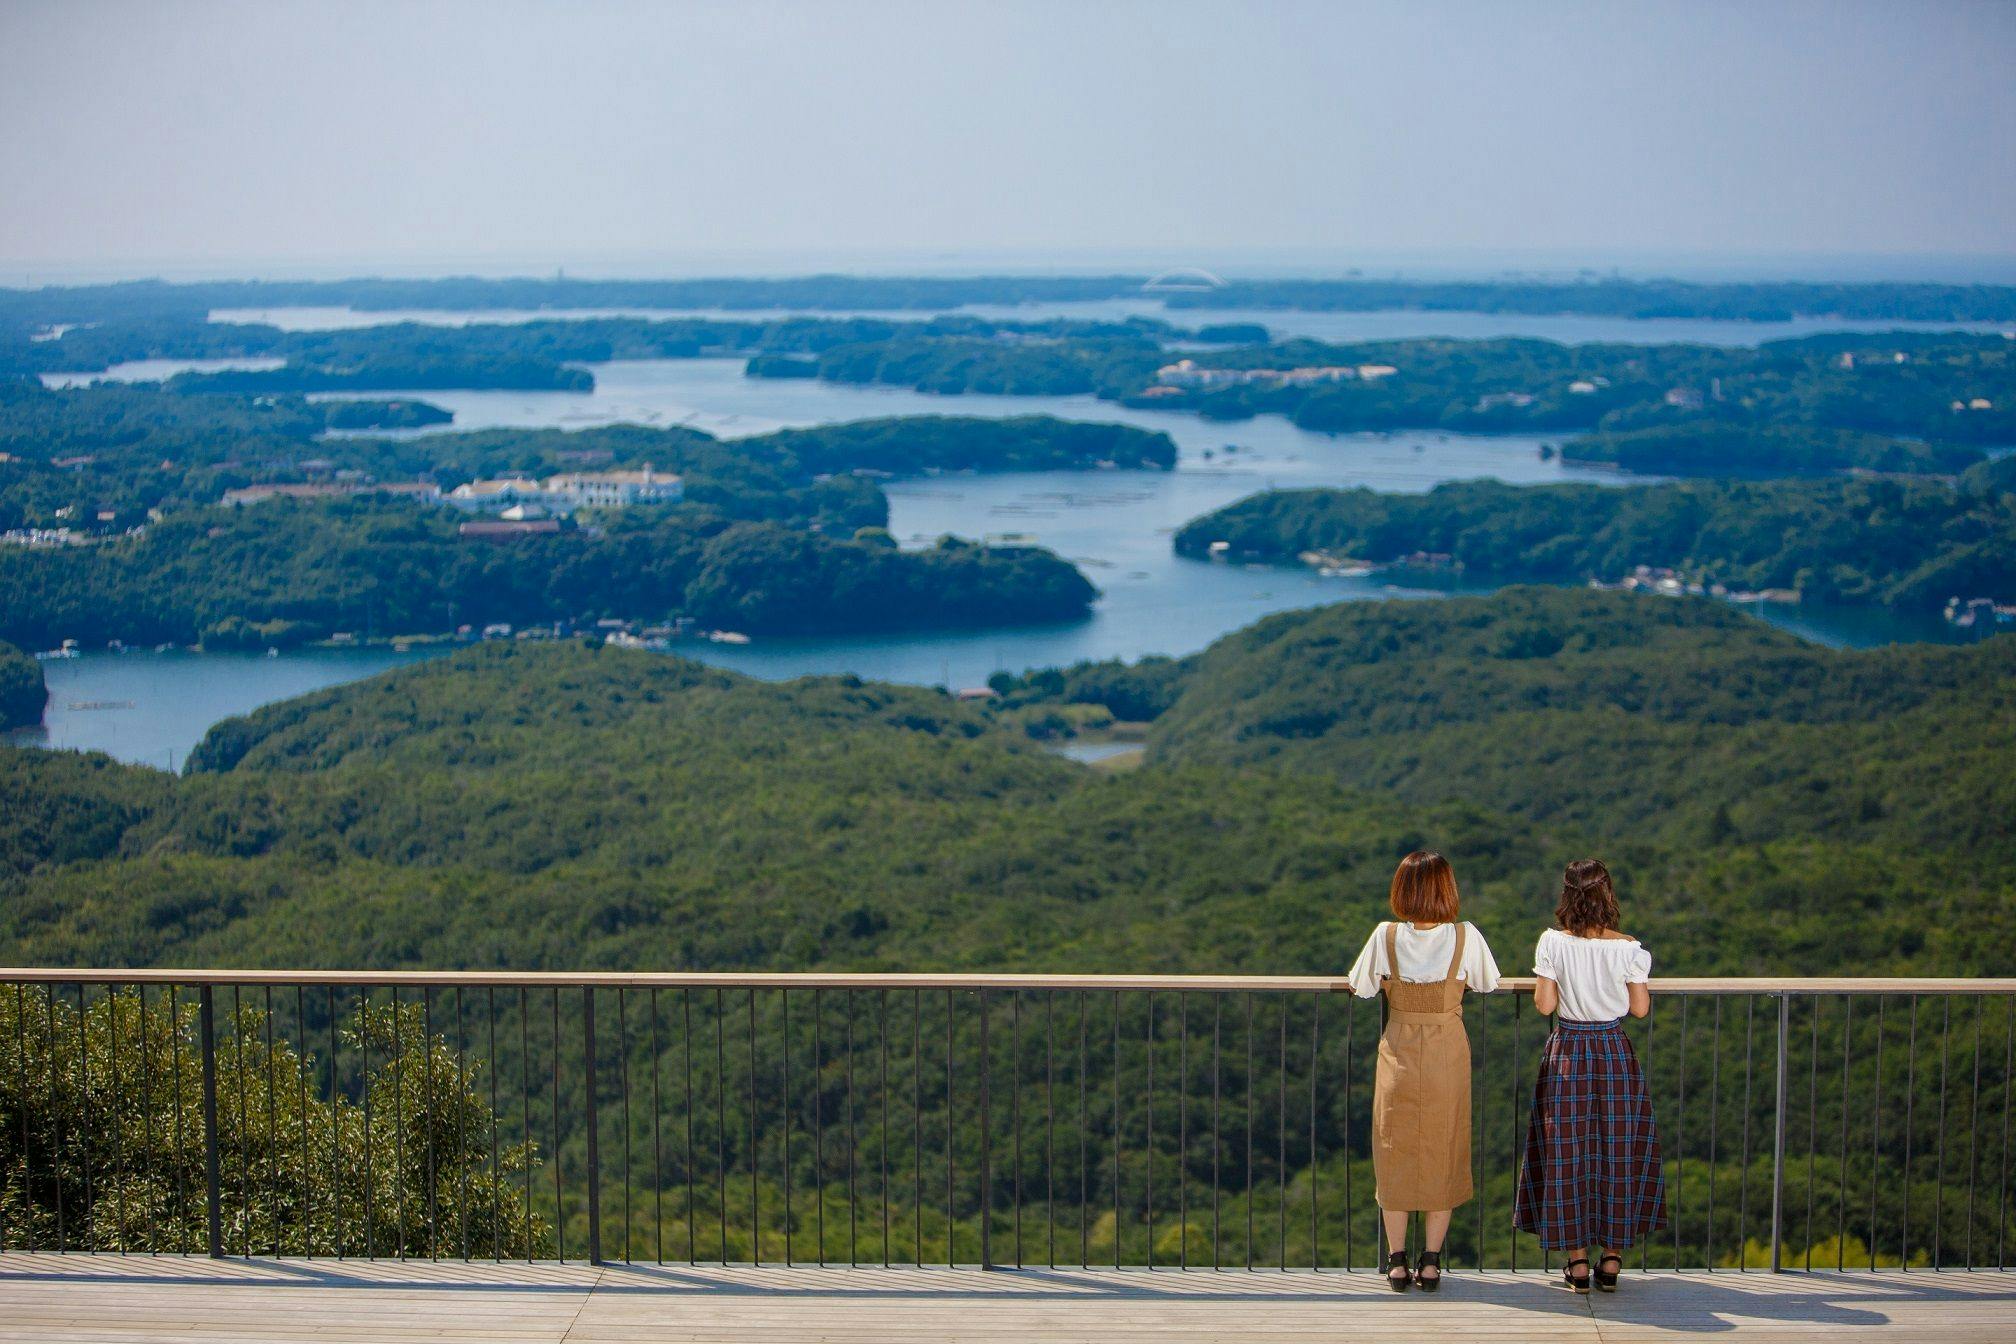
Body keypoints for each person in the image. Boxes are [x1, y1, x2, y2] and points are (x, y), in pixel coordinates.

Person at [1346, 850, 1501, 1292]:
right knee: (1443, 1148)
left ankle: (1396, 1260)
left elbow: (1361, 987)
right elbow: (1488, 982)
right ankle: (1431, 1261)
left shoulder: (1386, 935)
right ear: (1447, 891)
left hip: (1398, 1051)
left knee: (1392, 1148)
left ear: (1401, 891)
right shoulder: (1466, 936)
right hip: (1446, 1050)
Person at [1513, 858, 1667, 1293]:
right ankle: (1612, 1259)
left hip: (1568, 1051)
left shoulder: (1552, 943)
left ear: (1568, 895)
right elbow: (1639, 1009)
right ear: (1608, 895)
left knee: (1567, 1152)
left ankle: (1577, 1264)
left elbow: (1545, 1005)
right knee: (1617, 1149)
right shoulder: (1630, 949)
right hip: (1613, 1051)